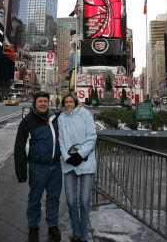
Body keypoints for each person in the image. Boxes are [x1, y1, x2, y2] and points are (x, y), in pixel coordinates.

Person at [14, 91, 62, 242]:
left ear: (49, 102)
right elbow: (19, 146)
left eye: (45, 101)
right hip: (37, 167)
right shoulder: (28, 120)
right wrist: (21, 172)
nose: (43, 104)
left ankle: (52, 225)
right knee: (35, 198)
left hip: (55, 166)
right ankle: (33, 227)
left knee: (54, 198)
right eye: (40, 101)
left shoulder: (55, 117)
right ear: (35, 103)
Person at [58, 93, 97, 242]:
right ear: (63, 104)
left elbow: (92, 137)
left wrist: (80, 155)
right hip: (69, 164)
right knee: (71, 201)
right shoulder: (61, 118)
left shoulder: (85, 114)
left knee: (85, 201)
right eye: (66, 102)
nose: (68, 104)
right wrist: (68, 158)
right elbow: (61, 140)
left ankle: (84, 235)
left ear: (76, 102)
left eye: (71, 101)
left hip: (85, 161)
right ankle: (76, 232)